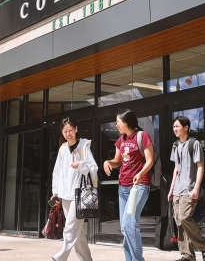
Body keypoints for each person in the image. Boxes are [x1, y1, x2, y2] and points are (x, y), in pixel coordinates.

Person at [103, 109, 154, 261]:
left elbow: (150, 160)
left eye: (118, 122)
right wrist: (108, 162)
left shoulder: (142, 136)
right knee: (125, 227)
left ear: (126, 122)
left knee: (129, 224)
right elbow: (117, 161)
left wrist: (141, 173)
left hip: (138, 186)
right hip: (123, 187)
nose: (116, 125)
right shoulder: (121, 140)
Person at [50, 117, 99, 261]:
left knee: (70, 227)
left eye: (70, 130)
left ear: (76, 129)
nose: (68, 134)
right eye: (65, 131)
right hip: (65, 194)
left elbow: (93, 168)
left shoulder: (83, 146)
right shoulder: (63, 149)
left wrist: (81, 165)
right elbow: (57, 171)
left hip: (79, 194)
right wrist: (55, 192)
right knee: (78, 232)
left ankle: (61, 256)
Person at [168, 116, 205, 261]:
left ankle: (204, 245)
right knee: (179, 222)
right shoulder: (175, 145)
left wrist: (196, 188)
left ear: (186, 127)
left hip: (189, 188)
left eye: (177, 126)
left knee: (184, 217)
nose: (175, 129)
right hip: (177, 189)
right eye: (174, 127)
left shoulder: (194, 144)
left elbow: (200, 167)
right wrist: (171, 189)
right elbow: (176, 168)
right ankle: (187, 255)